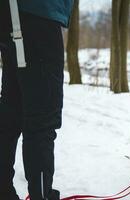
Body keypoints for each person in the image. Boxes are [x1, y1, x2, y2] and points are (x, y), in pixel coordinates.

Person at [0, 1, 73, 199]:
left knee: (10, 113)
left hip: (9, 17)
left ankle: (3, 190)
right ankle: (41, 195)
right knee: (43, 118)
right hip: (39, 16)